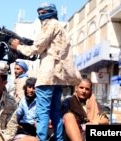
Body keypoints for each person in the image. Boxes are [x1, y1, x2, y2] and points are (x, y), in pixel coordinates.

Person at [10, 2, 81, 141]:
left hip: (47, 76)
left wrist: (18, 47)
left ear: (51, 12)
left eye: (43, 12)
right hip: (57, 77)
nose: (41, 15)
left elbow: (36, 48)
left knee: (42, 112)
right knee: (55, 112)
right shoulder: (61, 27)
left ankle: (40, 139)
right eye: (40, 12)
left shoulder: (50, 24)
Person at [4, 77, 37, 141]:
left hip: (33, 130)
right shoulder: (23, 101)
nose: (31, 90)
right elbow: (17, 116)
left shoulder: (39, 102)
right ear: (26, 88)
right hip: (22, 129)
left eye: (34, 88)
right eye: (29, 87)